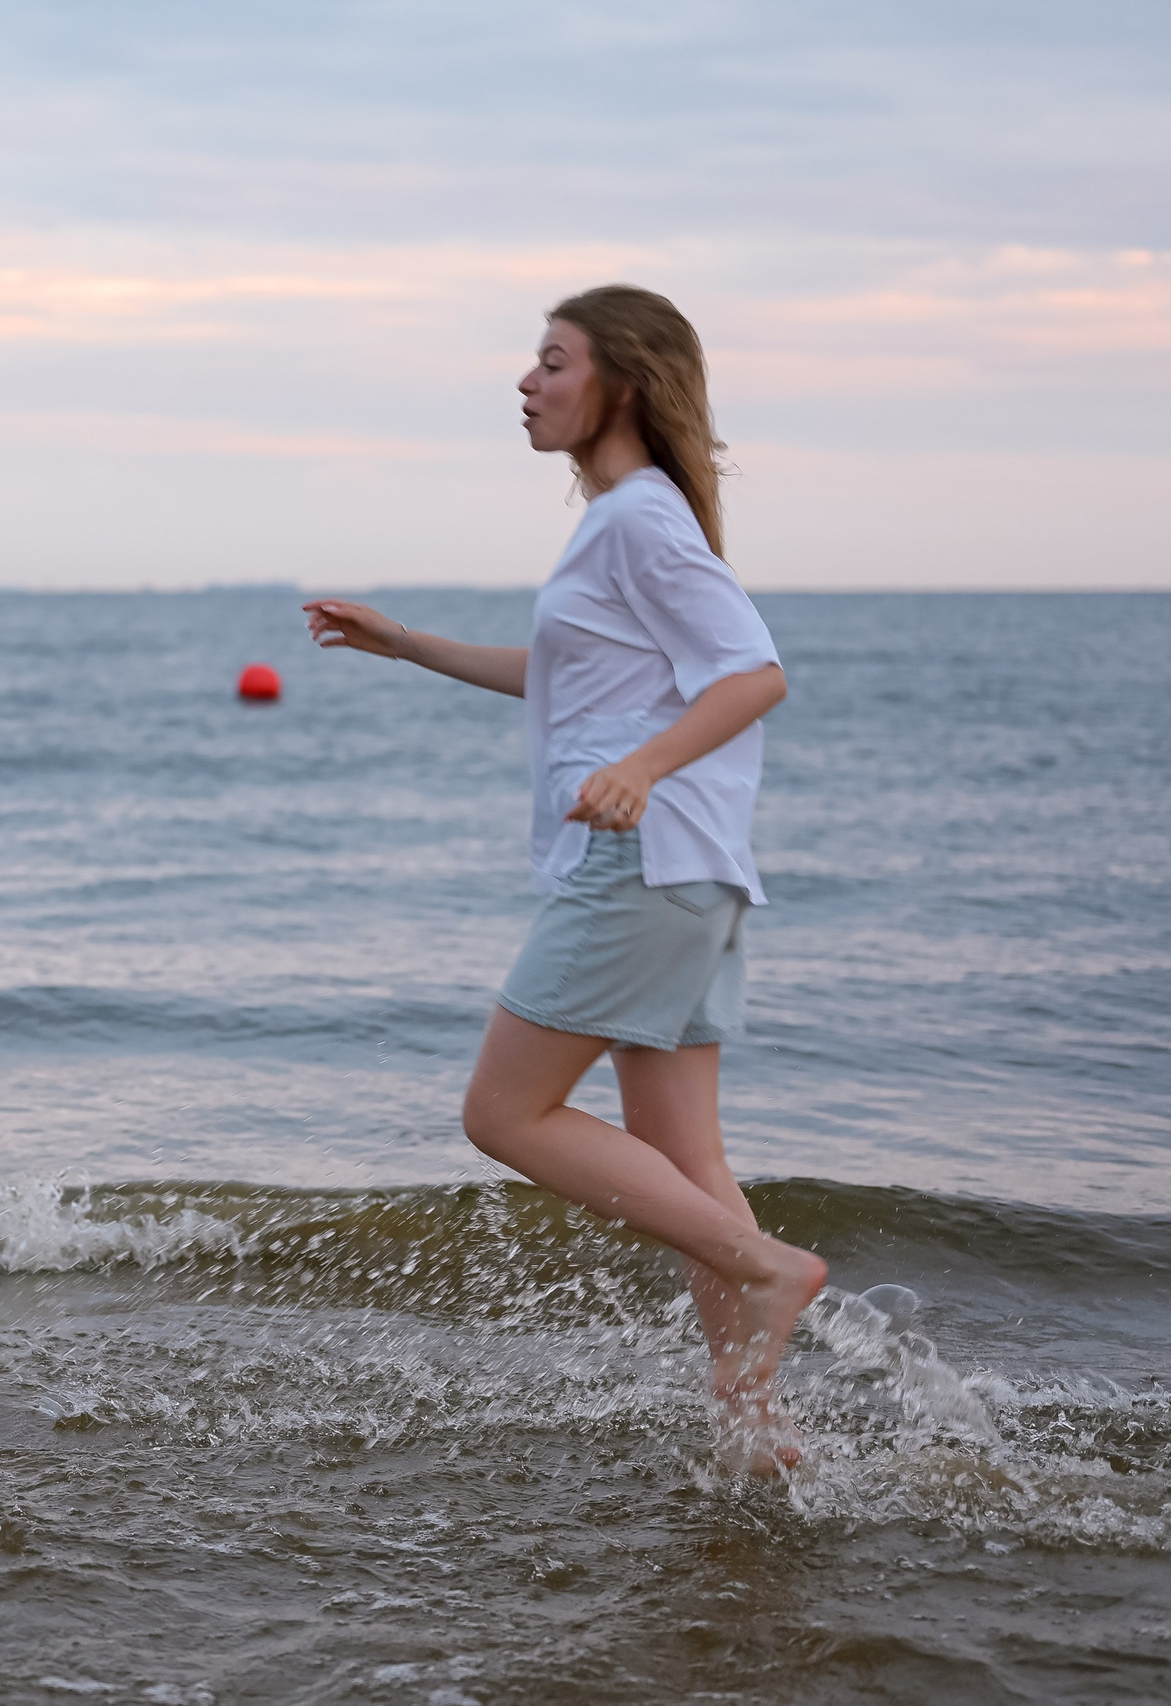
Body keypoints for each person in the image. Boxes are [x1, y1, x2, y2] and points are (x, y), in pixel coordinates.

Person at [305, 285, 827, 1473]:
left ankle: (767, 1269)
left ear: (621, 384)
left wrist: (639, 768)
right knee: (686, 1162)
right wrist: (407, 645)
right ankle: (752, 1423)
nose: (526, 381)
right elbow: (563, 673)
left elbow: (753, 674)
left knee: (502, 1114)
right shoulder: (627, 521)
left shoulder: (638, 518)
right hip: (692, 875)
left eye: (552, 360)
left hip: (644, 863)